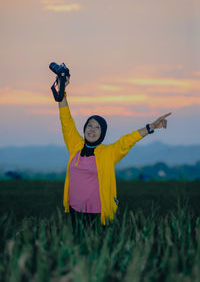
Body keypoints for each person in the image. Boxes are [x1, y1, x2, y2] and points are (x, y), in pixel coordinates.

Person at [57, 76, 172, 232]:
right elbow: (66, 122)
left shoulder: (108, 153)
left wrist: (151, 126)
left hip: (97, 212)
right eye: (89, 125)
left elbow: (126, 141)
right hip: (74, 208)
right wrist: (62, 93)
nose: (92, 129)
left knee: (97, 249)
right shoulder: (75, 145)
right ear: (84, 129)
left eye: (97, 127)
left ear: (102, 133)